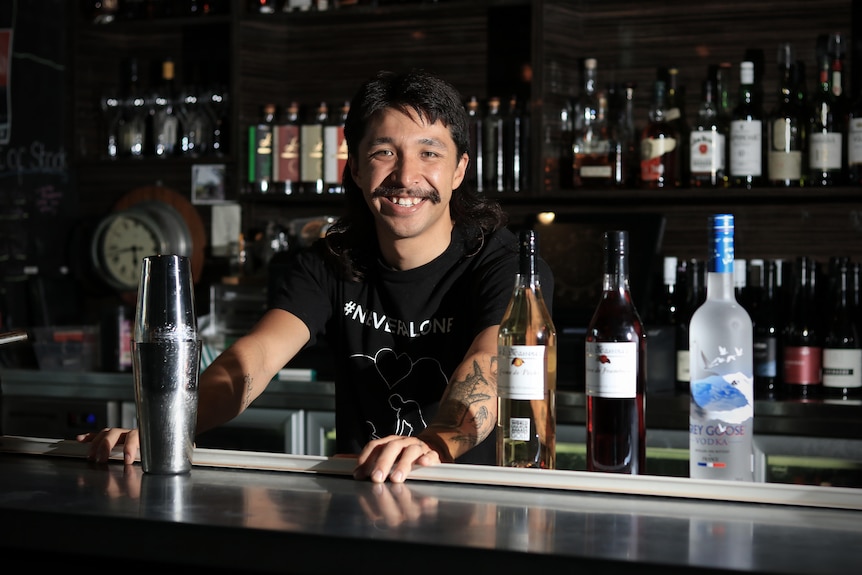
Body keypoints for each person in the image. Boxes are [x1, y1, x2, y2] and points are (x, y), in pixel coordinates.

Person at [78, 69, 554, 483]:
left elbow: (493, 366)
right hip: (369, 497)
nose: (406, 176)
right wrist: (167, 426)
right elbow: (255, 357)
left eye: (429, 153)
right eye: (384, 152)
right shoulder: (332, 262)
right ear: (356, 168)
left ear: (458, 171)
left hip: (478, 500)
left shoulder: (504, 263)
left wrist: (434, 443)